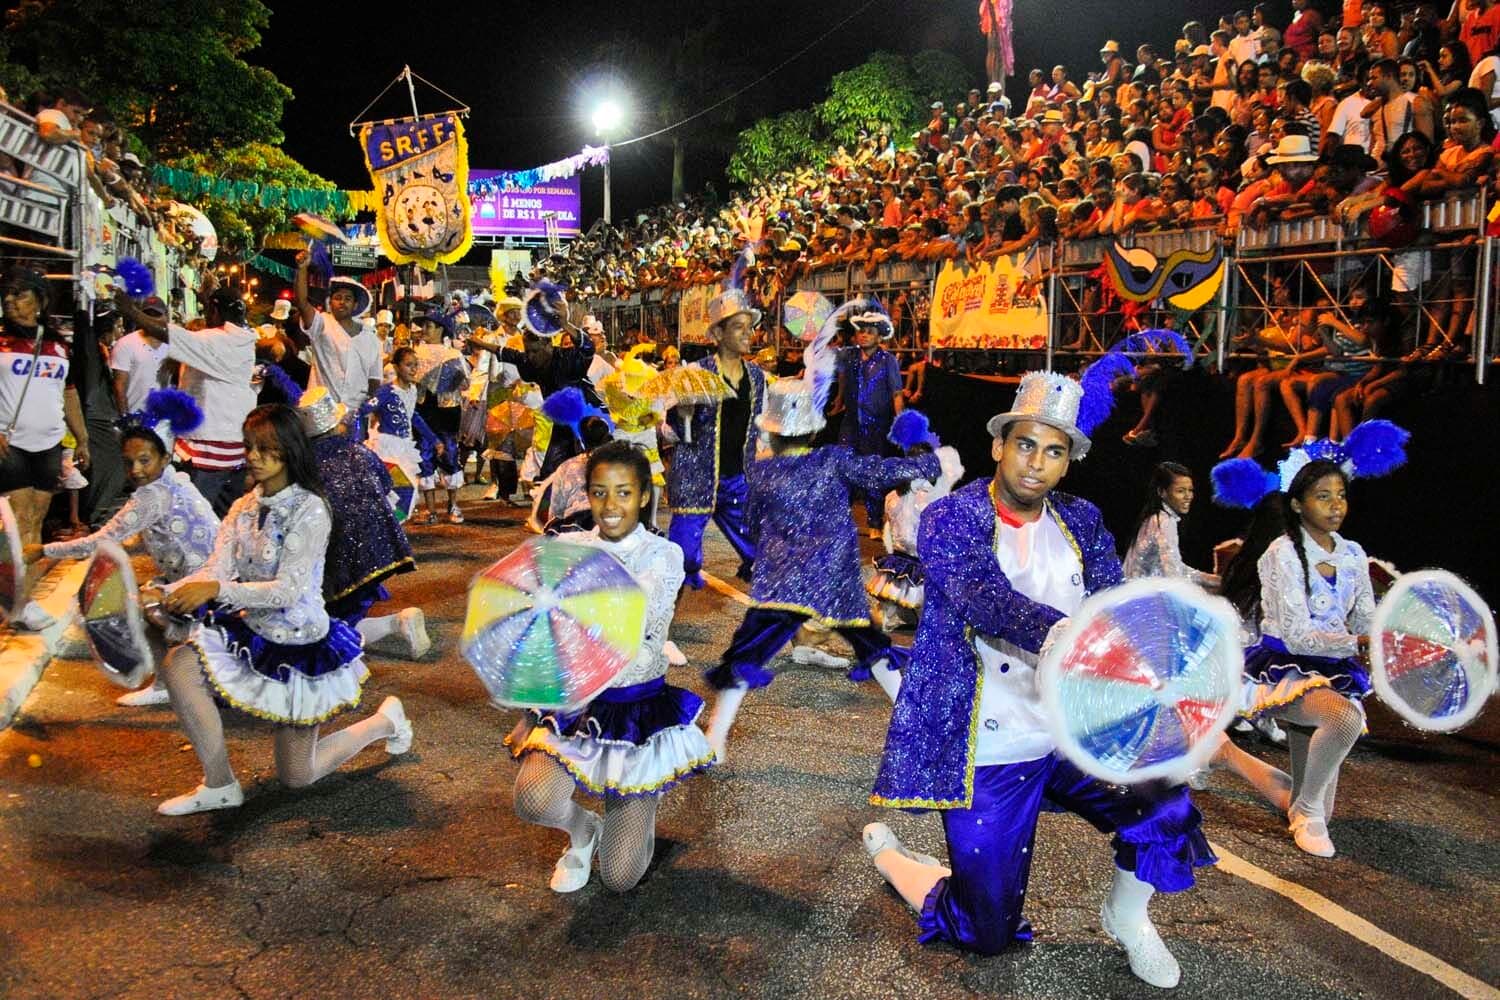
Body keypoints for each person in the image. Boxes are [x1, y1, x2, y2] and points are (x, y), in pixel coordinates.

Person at [866, 371, 1214, 990]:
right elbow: (987, 600)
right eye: (1026, 444)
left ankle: (1127, 918)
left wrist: (1173, 654)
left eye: (1055, 451)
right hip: (988, 740)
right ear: (999, 446)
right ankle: (899, 862)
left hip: (1070, 727)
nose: (1037, 462)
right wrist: (1079, 640)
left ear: (1068, 463)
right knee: (987, 933)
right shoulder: (951, 518)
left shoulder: (1081, 520)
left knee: (1166, 805)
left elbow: (1113, 601)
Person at [701, 302, 941, 763]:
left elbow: (751, 522)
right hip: (835, 584)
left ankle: (715, 740)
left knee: (742, 661)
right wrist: (930, 461)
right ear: (812, 428)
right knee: (876, 652)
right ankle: (922, 737)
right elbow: (878, 470)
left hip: (780, 587)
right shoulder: (833, 459)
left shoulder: (760, 472)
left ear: (770, 432)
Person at [150, 404, 413, 816]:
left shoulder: (312, 509)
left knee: (297, 776)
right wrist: (168, 591)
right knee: (180, 666)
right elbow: (217, 565)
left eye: (265, 448)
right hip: (253, 633)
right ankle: (219, 783)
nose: (252, 456)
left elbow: (288, 591)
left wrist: (216, 589)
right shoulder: (243, 507)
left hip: (301, 648)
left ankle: (385, 722)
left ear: (289, 451)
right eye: (249, 446)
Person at [506, 440, 713, 893]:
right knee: (533, 799)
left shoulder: (663, 556)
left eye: (623, 493)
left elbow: (637, 628)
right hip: (575, 705)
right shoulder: (567, 546)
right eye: (599, 492)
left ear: (643, 496)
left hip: (633, 711)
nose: (610, 505)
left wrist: (569, 602)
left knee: (620, 878)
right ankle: (583, 831)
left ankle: (641, 796)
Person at [1213, 453, 1379, 857]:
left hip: (1333, 671)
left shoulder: (1354, 553)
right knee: (1344, 719)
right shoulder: (1280, 554)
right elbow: (1299, 636)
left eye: (1341, 495)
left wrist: (1388, 634)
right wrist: (1356, 643)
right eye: (1323, 496)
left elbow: (1364, 618)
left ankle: (1226, 754)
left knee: (1324, 805)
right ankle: (1307, 810)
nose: (1336, 505)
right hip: (1284, 668)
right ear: (1298, 504)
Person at [23, 389, 218, 707]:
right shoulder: (173, 481)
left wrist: (44, 551)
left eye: (145, 460)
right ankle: (169, 680)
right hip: (202, 580)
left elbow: (102, 540)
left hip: (205, 590)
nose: (136, 470)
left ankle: (179, 681)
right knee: (144, 603)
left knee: (146, 608)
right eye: (128, 463)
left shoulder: (152, 496)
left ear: (165, 457)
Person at [297, 388, 429, 660]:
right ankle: (398, 623)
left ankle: (396, 624)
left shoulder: (305, 464)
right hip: (379, 547)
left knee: (329, 626)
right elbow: (387, 483)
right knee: (340, 618)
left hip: (341, 554)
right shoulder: (360, 452)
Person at [114, 274, 257, 517]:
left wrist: (132, 311)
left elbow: (168, 334)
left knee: (194, 514)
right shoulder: (243, 340)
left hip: (210, 446)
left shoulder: (217, 340)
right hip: (234, 445)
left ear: (214, 310)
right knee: (225, 515)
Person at [2, 270, 91, 630]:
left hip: (49, 443)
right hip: (11, 444)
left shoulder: (58, 344)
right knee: (18, 520)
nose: (10, 301)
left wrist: (81, 438)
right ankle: (18, 600)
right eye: (7, 296)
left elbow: (68, 393)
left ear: (39, 301)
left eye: (19, 295)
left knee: (36, 522)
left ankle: (22, 600)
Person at [664, 285, 768, 590]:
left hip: (739, 477)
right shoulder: (696, 374)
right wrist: (684, 412)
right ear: (719, 334)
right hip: (697, 475)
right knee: (682, 558)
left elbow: (757, 428)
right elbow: (678, 432)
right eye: (739, 327)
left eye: (750, 328)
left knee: (762, 550)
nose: (748, 334)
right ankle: (664, 618)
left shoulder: (757, 377)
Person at [866, 411, 963, 632]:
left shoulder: (892, 495)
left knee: (896, 593)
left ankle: (889, 618)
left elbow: (889, 528)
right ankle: (925, 624)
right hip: (919, 558)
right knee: (925, 596)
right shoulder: (932, 498)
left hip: (898, 555)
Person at [833, 300, 905, 538]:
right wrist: (840, 399)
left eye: (869, 332)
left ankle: (874, 521)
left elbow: (896, 393)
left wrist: (900, 421)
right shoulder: (849, 357)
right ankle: (839, 519)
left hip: (877, 425)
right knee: (844, 467)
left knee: (873, 473)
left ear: (879, 337)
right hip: (851, 423)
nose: (863, 335)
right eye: (861, 331)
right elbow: (842, 379)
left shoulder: (888, 361)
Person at [291, 254, 382, 423]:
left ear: (355, 305)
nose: (342, 302)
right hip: (322, 410)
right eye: (337, 298)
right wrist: (302, 269)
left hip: (356, 413)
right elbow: (301, 302)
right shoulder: (321, 324)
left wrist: (373, 410)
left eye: (348, 299)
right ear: (330, 302)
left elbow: (375, 379)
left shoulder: (371, 339)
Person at [1123, 461, 1219, 587]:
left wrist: (1211, 579)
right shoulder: (1164, 522)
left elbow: (1176, 567)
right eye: (1180, 491)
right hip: (1139, 597)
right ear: (1162, 492)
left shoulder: (1156, 518)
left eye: (1190, 490)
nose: (1188, 496)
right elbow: (1172, 572)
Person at [110, 297, 169, 415]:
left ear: (166, 316)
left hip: (167, 422)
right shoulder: (125, 344)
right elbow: (119, 387)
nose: (151, 319)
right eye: (147, 315)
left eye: (157, 314)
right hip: (137, 418)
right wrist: (126, 418)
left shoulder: (175, 344)